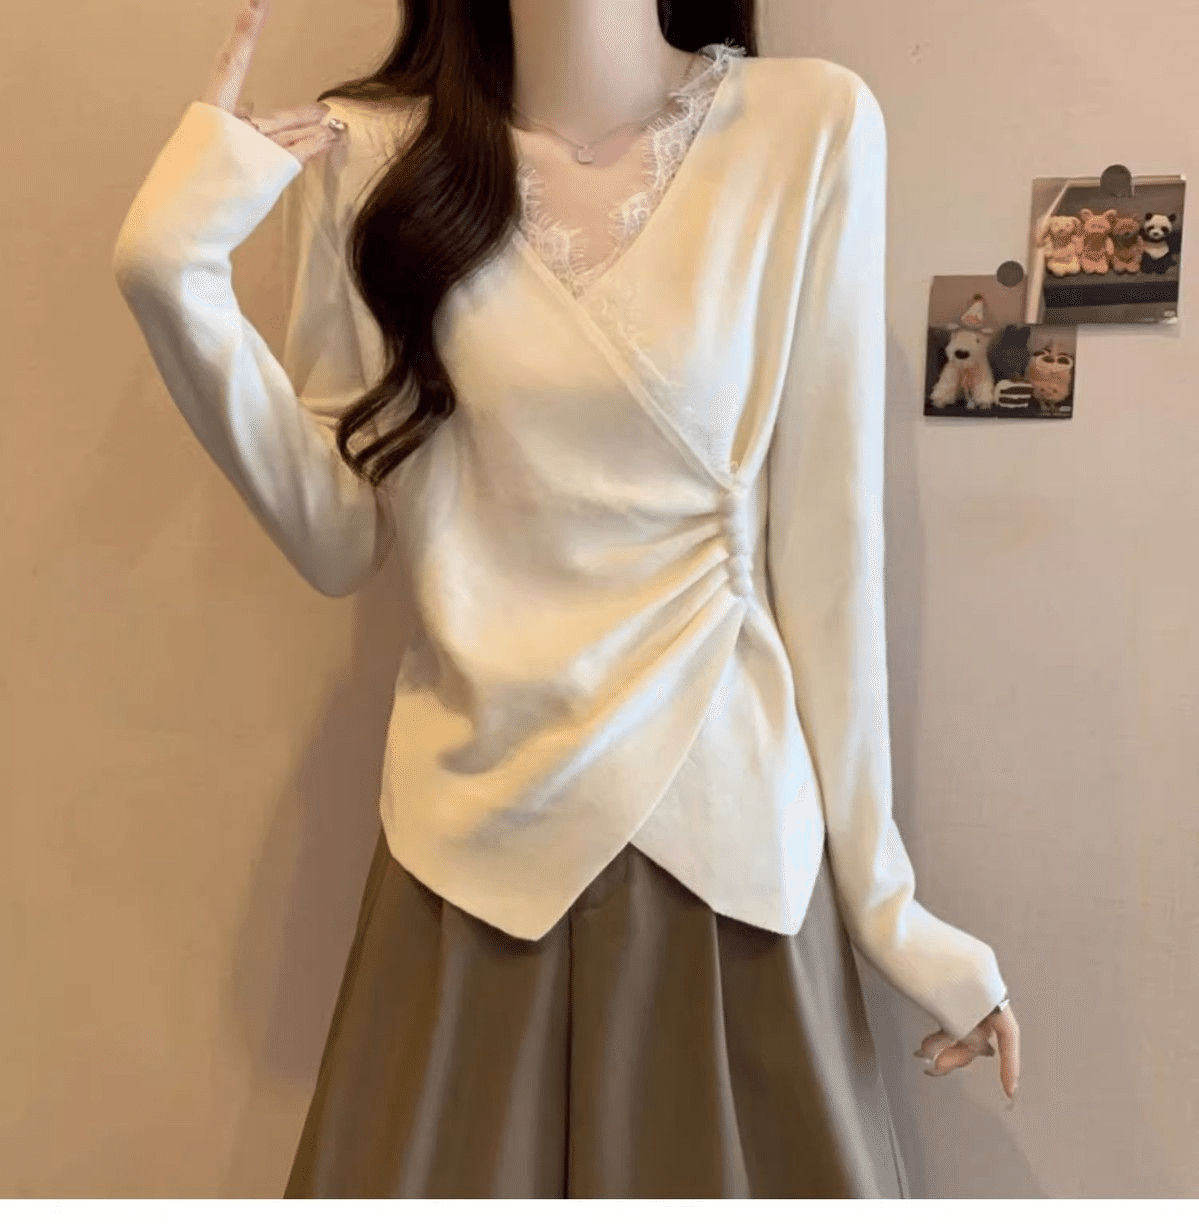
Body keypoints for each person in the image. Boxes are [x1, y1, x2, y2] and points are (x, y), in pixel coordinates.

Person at [112, 0, 1021, 1198]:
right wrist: (174, 278)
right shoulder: (373, 155)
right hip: (472, 847)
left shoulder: (806, 127)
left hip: (723, 854)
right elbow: (339, 535)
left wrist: (888, 907)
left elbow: (827, 555)